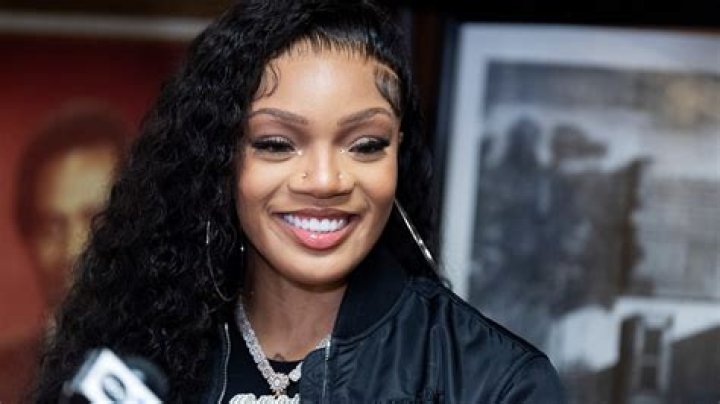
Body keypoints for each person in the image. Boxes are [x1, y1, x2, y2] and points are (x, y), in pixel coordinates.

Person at [34, 1, 565, 402]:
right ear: (221, 159)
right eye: (275, 144)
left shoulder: (495, 383)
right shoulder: (147, 356)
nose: (326, 180)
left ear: (398, 155)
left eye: (366, 145)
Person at [1, 105, 126, 403]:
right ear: (29, 241)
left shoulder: (203, 359)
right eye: (51, 227)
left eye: (96, 219)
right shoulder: (4, 380)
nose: (74, 248)